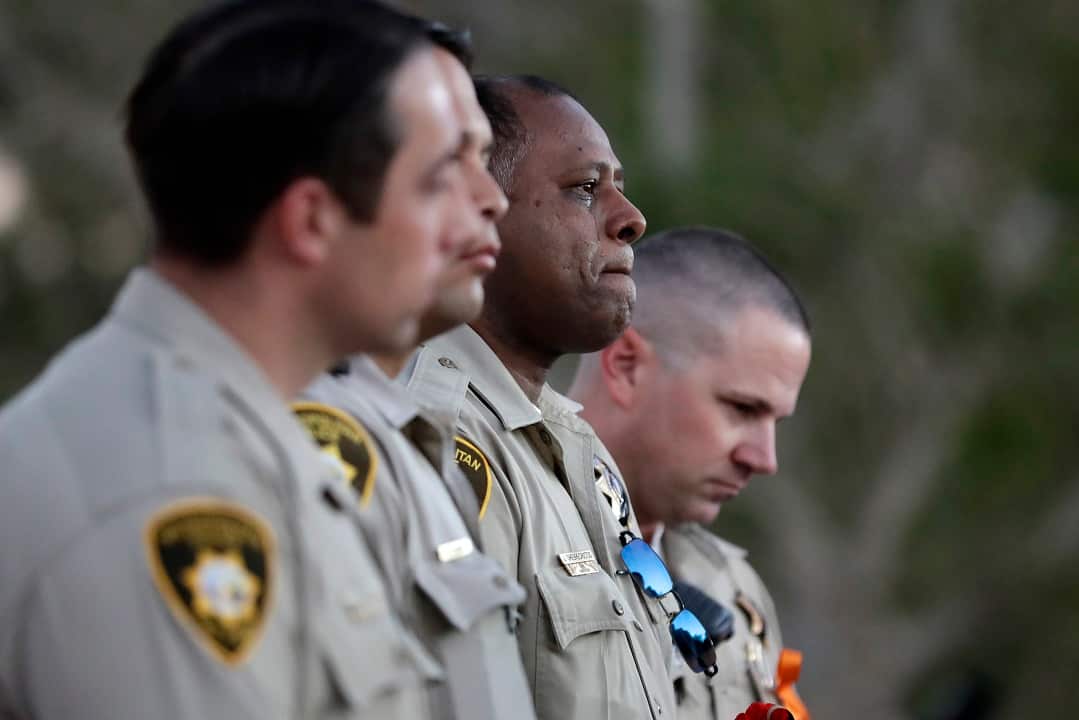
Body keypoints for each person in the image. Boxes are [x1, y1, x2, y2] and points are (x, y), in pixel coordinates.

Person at [0, 1, 496, 717]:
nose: (470, 215)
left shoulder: (245, 435)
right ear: (310, 221)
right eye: (434, 183)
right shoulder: (168, 488)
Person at [403, 74, 682, 720]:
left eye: (617, 184)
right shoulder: (437, 437)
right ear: (475, 213)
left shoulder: (572, 447)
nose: (629, 218)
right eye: (585, 190)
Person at [295, 53, 538, 720]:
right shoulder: (283, 444)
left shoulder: (410, 436)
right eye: (444, 167)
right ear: (316, 199)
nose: (490, 198)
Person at [568, 227, 815, 720]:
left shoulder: (734, 590)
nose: (764, 459)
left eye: (775, 421)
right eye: (742, 408)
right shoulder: (507, 531)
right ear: (626, 365)